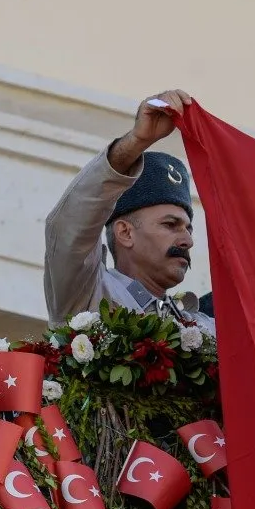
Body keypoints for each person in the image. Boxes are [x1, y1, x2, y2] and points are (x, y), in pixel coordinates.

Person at [43, 90, 215, 335]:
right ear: (125, 232)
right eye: (170, 224)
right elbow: (70, 225)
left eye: (188, 228)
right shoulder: (89, 294)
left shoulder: (204, 326)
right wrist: (136, 142)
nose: (187, 240)